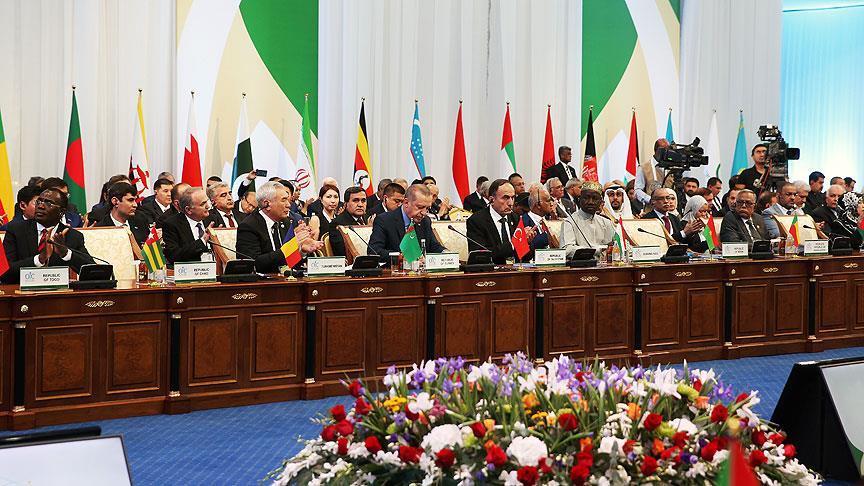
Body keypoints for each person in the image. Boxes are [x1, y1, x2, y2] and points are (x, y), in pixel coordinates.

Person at [1, 188, 94, 283]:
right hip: (21, 290)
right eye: (38, 202)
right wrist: (40, 259)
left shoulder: (72, 236)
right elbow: (4, 272)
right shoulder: (16, 230)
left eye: (48, 203)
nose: (40, 206)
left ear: (61, 212)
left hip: (59, 291)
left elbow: (93, 272)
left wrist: (66, 253)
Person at [236, 181, 323, 273]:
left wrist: (301, 250)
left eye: (288, 200)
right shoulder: (249, 226)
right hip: (262, 280)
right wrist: (291, 246)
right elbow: (254, 264)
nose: (288, 205)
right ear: (267, 204)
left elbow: (290, 264)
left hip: (283, 278)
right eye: (283, 200)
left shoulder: (286, 222)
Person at [367, 183, 445, 263]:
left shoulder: (425, 221)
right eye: (420, 207)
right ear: (406, 203)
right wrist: (400, 256)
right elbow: (374, 251)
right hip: (395, 269)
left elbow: (434, 246)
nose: (424, 213)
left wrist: (447, 254)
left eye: (427, 208)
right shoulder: (384, 220)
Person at [465, 179, 534, 264]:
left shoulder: (515, 218)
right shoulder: (477, 221)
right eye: (505, 198)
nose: (510, 203)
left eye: (512, 198)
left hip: (515, 270)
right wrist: (514, 243)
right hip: (491, 271)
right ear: (492, 200)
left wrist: (526, 242)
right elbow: (480, 257)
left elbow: (525, 257)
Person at [559, 181, 614, 258]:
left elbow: (610, 248)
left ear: (601, 202)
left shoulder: (606, 222)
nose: (590, 202)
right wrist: (596, 250)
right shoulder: (569, 222)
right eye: (586, 198)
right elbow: (567, 250)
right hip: (580, 264)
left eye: (595, 198)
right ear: (579, 199)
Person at [161, 187, 215, 264]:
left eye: (207, 202)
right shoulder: (172, 224)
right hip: (191, 269)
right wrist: (202, 241)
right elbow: (174, 256)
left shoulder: (213, 219)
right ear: (188, 210)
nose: (208, 206)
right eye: (202, 204)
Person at [521, 184, 558, 260]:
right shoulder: (523, 221)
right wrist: (549, 233)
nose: (551, 204)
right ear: (538, 205)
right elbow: (530, 244)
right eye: (548, 201)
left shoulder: (549, 219)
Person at [328, 186, 368, 257]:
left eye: (363, 201)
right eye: (355, 200)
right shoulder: (337, 224)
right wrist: (368, 231)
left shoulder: (369, 219)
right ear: (346, 204)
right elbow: (342, 252)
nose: (360, 205)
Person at [634, 138, 671, 206]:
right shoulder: (643, 168)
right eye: (664, 150)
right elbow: (637, 190)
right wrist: (650, 200)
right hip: (651, 208)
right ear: (656, 150)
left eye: (668, 149)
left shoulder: (672, 167)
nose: (667, 152)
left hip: (670, 209)